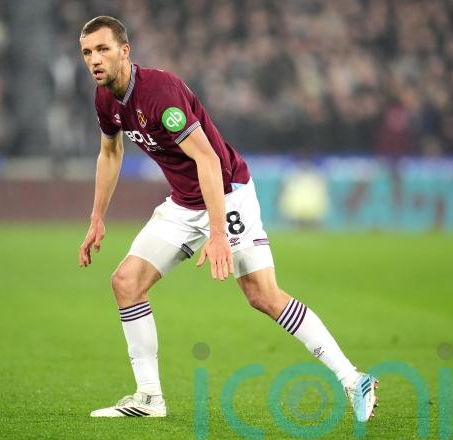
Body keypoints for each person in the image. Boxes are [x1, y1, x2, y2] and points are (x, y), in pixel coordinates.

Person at [78, 16, 378, 421]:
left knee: (262, 295)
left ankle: (353, 378)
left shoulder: (159, 93)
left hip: (227, 193)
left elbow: (208, 159)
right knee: (126, 283)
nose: (94, 60)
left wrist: (217, 232)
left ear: (124, 51)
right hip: (185, 203)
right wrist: (97, 217)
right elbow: (110, 152)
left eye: (103, 49)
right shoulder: (105, 99)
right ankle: (149, 397)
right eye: (87, 52)